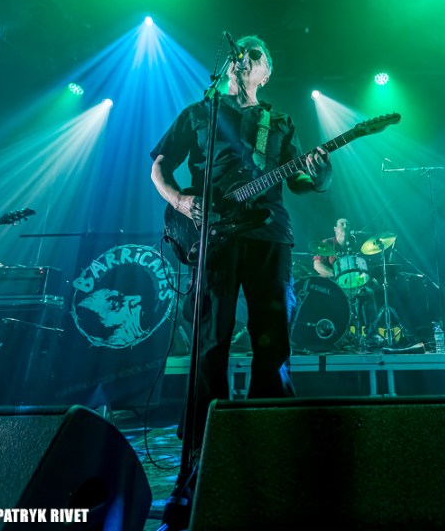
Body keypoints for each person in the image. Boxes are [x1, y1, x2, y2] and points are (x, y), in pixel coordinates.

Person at [150, 34, 331, 530]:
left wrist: (318, 173)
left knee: (272, 338)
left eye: (255, 54)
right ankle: (201, 453)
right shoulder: (199, 113)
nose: (245, 57)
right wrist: (180, 200)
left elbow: (299, 181)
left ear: (265, 73)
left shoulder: (280, 123)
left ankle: (270, 437)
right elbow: (160, 164)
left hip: (269, 235)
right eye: (241, 52)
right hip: (212, 235)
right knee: (211, 340)